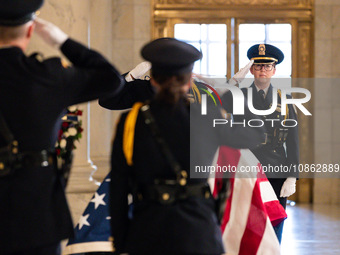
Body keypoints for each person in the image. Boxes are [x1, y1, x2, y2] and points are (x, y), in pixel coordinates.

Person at [109, 37, 265, 255]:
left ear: (152, 79)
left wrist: (121, 241)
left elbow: (118, 187)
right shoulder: (207, 116)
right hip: (198, 231)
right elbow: (256, 135)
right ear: (189, 79)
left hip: (147, 232)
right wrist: (229, 92)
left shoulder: (132, 121)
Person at [0, 0, 124, 254]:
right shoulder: (46, 77)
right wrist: (62, 41)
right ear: (31, 30)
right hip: (35, 218)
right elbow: (111, 79)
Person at [221, 43, 299, 243]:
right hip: (246, 166)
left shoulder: (286, 100)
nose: (262, 70)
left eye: (267, 66)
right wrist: (234, 81)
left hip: (276, 168)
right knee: (247, 222)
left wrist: (292, 176)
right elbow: (217, 102)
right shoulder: (239, 96)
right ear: (252, 69)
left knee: (275, 221)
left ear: (274, 70)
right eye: (258, 66)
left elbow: (293, 140)